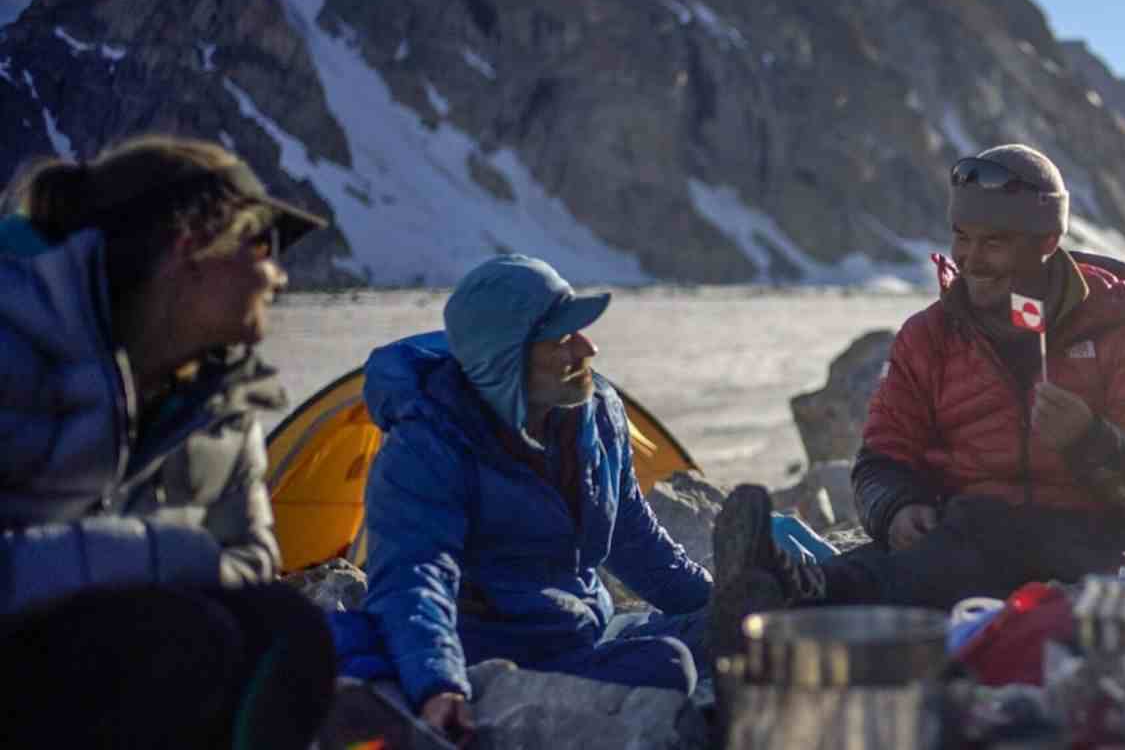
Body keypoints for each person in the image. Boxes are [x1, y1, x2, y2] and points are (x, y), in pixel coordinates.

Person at [706, 144, 1125, 652]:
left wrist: (1089, 440)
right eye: (963, 238)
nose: (972, 260)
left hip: (1083, 549)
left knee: (930, 563)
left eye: (995, 243)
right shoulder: (930, 336)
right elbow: (880, 461)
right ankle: (777, 595)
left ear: (1046, 241)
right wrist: (898, 509)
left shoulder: (1120, 328)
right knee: (913, 557)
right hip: (956, 543)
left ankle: (792, 601)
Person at [0, 136, 335, 749]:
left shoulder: (223, 402)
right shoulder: (14, 341)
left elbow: (250, 559)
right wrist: (149, 556)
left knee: (290, 632)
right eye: (263, 245)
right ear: (193, 244)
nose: (278, 276)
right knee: (179, 634)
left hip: (112, 670)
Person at [361, 256, 712, 744]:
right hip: (492, 655)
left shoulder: (596, 413)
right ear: (506, 356)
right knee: (669, 665)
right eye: (564, 338)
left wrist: (715, 603)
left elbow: (633, 536)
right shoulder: (426, 447)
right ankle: (497, 707)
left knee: (730, 633)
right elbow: (415, 576)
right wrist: (438, 683)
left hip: (580, 636)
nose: (588, 347)